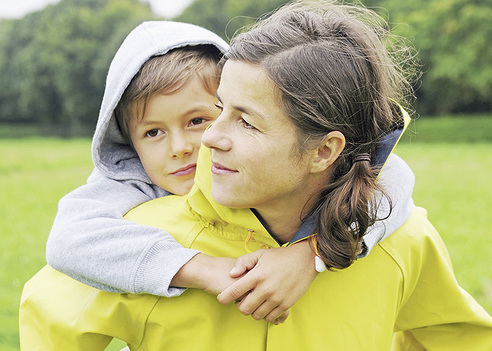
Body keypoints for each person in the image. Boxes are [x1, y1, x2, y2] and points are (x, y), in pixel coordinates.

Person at [20, 1, 492, 350]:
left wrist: (313, 255)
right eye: (221, 109)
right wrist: (196, 269)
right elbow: (51, 308)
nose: (204, 142)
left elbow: (455, 334)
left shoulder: (401, 238)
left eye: (241, 119)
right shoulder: (129, 237)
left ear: (325, 149)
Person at [41, 18, 414, 325]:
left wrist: (312, 254)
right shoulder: (131, 183)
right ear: (129, 144)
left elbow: (389, 176)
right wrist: (200, 269)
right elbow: (69, 240)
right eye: (153, 132)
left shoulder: (277, 171)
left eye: (199, 119)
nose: (183, 147)